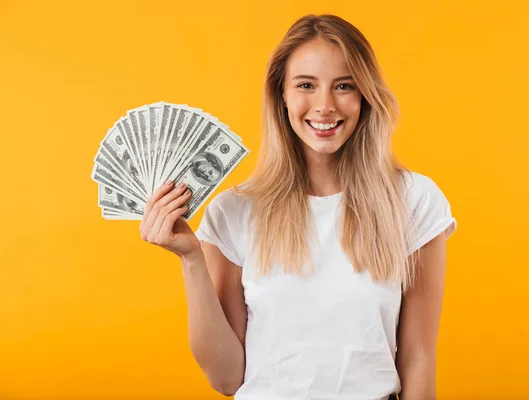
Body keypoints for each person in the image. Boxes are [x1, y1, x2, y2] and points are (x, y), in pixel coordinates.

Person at [140, 13, 457, 400]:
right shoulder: (233, 212)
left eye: (344, 86)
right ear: (282, 95)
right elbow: (226, 378)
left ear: (365, 96)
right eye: (306, 85)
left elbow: (418, 359)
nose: (324, 106)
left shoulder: (413, 202)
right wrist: (190, 259)